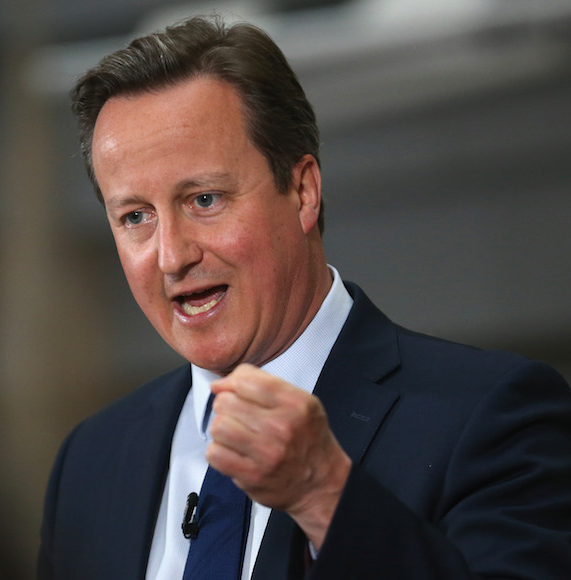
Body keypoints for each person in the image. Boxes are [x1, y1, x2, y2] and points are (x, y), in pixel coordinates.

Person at [37, 15, 571, 580]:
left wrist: (325, 497)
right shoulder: (91, 461)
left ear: (303, 192)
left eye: (205, 199)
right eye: (135, 217)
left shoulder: (494, 415)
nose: (172, 256)